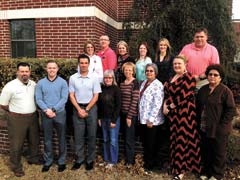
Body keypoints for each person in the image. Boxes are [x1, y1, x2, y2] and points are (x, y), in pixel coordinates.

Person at [163, 56, 201, 180]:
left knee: (182, 141)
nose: (177, 66)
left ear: (185, 65)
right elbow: (167, 93)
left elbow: (184, 96)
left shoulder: (189, 77)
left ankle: (181, 171)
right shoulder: (172, 77)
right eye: (175, 64)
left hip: (185, 114)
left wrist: (170, 107)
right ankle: (175, 166)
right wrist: (165, 105)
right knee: (174, 139)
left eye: (179, 64)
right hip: (173, 114)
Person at [196, 64, 236, 180]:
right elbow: (198, 107)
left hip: (219, 129)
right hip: (204, 127)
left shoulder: (225, 91)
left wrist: (222, 126)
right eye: (210, 74)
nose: (212, 76)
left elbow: (231, 110)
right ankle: (206, 172)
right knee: (206, 151)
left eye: (215, 75)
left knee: (218, 153)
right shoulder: (203, 90)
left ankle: (217, 174)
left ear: (220, 77)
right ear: (207, 76)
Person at [0, 62, 40, 177]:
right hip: (17, 118)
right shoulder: (10, 86)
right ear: (17, 72)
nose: (24, 74)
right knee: (16, 144)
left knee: (34, 140)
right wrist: (15, 111)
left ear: (30, 72)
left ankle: (33, 158)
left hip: (32, 117)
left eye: (26, 71)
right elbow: (3, 104)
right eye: (22, 71)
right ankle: (16, 166)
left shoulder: (33, 84)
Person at [69, 54, 101, 171]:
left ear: (89, 64)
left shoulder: (94, 77)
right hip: (77, 108)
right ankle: (79, 159)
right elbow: (71, 95)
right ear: (79, 64)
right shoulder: (73, 78)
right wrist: (79, 109)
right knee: (78, 136)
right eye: (81, 63)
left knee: (92, 135)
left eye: (85, 63)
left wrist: (86, 109)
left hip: (91, 109)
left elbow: (96, 95)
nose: (83, 65)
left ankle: (90, 160)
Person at [35, 60, 68, 173]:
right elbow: (38, 99)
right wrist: (46, 110)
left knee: (61, 138)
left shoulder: (63, 82)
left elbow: (64, 98)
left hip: (59, 114)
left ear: (57, 69)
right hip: (46, 114)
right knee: (47, 139)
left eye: (54, 68)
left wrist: (53, 109)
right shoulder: (40, 83)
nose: (52, 70)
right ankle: (48, 161)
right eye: (49, 68)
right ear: (46, 69)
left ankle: (62, 161)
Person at [139, 63, 164, 171]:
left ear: (156, 73)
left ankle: (150, 166)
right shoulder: (144, 82)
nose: (148, 73)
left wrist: (151, 119)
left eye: (151, 71)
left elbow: (157, 104)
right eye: (147, 71)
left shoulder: (158, 85)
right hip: (143, 118)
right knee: (145, 142)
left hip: (152, 121)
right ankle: (147, 162)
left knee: (151, 144)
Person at [154, 38, 173, 168]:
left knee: (165, 120)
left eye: (164, 45)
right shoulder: (155, 57)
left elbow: (172, 73)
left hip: (165, 88)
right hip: (156, 88)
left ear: (167, 46)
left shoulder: (171, 58)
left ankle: (166, 157)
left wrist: (167, 82)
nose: (162, 46)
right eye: (160, 45)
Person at [97, 70, 121, 169]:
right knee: (106, 140)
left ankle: (113, 161)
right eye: (106, 78)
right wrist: (99, 117)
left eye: (110, 78)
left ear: (113, 79)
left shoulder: (116, 89)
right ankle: (106, 160)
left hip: (113, 119)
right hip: (103, 119)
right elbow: (99, 104)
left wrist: (114, 120)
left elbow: (118, 106)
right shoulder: (101, 88)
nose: (107, 79)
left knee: (113, 141)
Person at [120, 62, 139, 166]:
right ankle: (126, 158)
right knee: (124, 137)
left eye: (130, 70)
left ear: (133, 71)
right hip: (122, 114)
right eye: (126, 70)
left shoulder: (135, 83)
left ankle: (130, 161)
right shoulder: (122, 83)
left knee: (129, 139)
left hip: (130, 115)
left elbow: (135, 100)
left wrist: (129, 116)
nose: (128, 72)